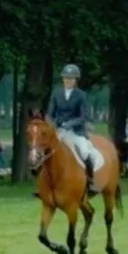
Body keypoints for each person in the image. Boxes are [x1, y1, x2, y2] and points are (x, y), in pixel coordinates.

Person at [47, 64, 104, 201]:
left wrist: (69, 124)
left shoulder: (81, 95)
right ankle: (44, 184)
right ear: (63, 79)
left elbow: (83, 117)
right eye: (66, 78)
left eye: (71, 78)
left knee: (85, 152)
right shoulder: (56, 94)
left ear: (75, 80)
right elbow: (50, 113)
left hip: (76, 131)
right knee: (46, 152)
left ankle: (90, 183)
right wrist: (52, 123)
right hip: (60, 130)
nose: (68, 80)